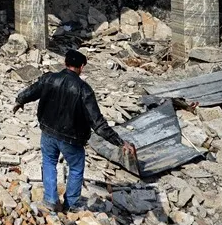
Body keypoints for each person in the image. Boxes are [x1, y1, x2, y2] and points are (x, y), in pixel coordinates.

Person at [12, 49, 136, 216]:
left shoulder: (50, 78)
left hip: (47, 132)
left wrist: (20, 100)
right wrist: (120, 142)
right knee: (76, 168)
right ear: (82, 67)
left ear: (65, 63)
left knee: (49, 162)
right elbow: (98, 123)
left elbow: (32, 90)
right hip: (71, 139)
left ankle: (50, 200)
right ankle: (71, 203)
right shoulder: (84, 90)